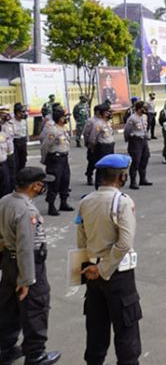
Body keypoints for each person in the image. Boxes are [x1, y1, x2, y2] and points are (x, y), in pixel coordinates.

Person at [77, 154, 142, 365]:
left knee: (96, 326)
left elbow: (81, 240)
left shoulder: (85, 201)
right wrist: (104, 268)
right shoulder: (122, 202)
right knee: (126, 329)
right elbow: (124, 243)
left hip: (93, 273)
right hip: (117, 275)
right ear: (122, 177)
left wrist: (91, 268)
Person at [0, 167, 61, 365]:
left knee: (9, 307)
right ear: (35, 186)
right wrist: (26, 279)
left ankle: (6, 348)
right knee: (36, 307)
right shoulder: (27, 210)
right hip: (28, 263)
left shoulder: (5, 200)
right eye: (42, 184)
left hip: (8, 260)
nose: (44, 187)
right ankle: (35, 355)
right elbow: (25, 245)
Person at [40, 108, 72, 216]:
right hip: (55, 159)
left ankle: (64, 203)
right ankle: (51, 206)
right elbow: (45, 146)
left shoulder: (63, 129)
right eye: (65, 117)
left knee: (65, 180)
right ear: (60, 118)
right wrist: (44, 159)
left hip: (64, 158)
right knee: (54, 182)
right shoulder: (53, 130)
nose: (67, 118)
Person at [123, 101, 152, 190]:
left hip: (143, 140)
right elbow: (127, 131)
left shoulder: (145, 117)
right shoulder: (132, 118)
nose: (145, 109)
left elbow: (146, 128)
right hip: (135, 141)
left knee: (145, 158)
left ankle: (142, 179)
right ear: (139, 109)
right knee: (136, 161)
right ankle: (133, 182)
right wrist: (129, 140)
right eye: (143, 108)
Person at [87, 104, 115, 189]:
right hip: (102, 148)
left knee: (109, 167)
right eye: (108, 112)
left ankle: (107, 185)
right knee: (102, 168)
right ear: (103, 113)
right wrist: (92, 148)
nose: (110, 114)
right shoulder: (98, 124)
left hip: (110, 147)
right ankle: (99, 186)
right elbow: (92, 138)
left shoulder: (108, 123)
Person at [11, 103, 27, 173]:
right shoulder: (11, 122)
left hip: (23, 141)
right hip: (15, 142)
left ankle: (22, 175)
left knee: (23, 160)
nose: (24, 113)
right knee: (16, 161)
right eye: (22, 112)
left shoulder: (23, 121)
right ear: (17, 113)